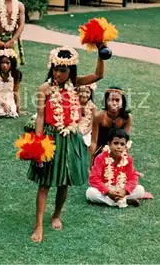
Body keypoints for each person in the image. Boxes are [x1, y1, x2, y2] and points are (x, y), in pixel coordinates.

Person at [28, 45, 105, 243]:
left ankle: (56, 214)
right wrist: (38, 144)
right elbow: (40, 118)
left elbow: (98, 74)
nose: (58, 73)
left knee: (64, 183)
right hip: (50, 138)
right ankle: (38, 224)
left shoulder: (76, 85)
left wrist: (101, 50)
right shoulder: (44, 89)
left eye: (62, 70)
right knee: (44, 184)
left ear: (70, 71)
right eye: (55, 69)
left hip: (70, 138)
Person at [86, 128, 145, 207]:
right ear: (109, 144)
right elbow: (94, 179)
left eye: (122, 144)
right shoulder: (100, 158)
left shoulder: (128, 159)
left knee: (140, 190)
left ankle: (116, 200)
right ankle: (125, 200)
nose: (119, 147)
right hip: (106, 190)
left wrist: (125, 191)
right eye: (116, 143)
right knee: (90, 193)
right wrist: (108, 192)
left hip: (121, 189)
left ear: (125, 146)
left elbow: (133, 177)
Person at [90, 87, 131, 164]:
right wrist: (90, 163)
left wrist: (126, 162)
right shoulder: (99, 117)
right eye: (111, 99)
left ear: (122, 102)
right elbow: (93, 142)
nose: (114, 103)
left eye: (117, 100)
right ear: (106, 101)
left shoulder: (127, 118)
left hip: (118, 151)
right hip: (100, 151)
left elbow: (125, 142)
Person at [77, 83, 97, 147]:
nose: (84, 95)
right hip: (75, 129)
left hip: (86, 131)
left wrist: (85, 132)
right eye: (81, 91)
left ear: (91, 94)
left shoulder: (93, 108)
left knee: (86, 141)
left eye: (87, 92)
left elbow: (92, 124)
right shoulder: (73, 104)